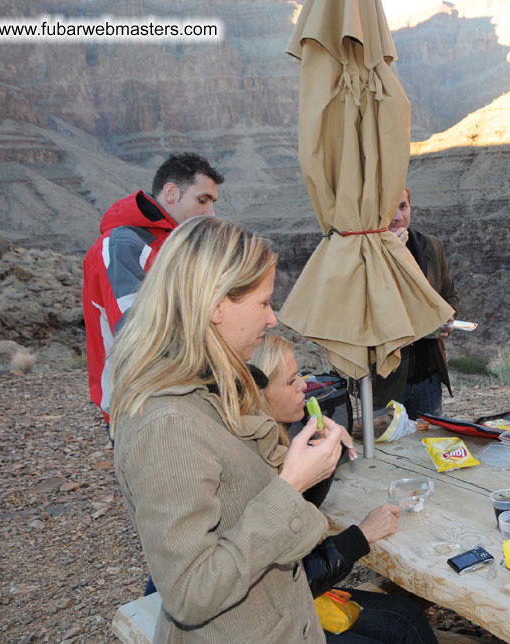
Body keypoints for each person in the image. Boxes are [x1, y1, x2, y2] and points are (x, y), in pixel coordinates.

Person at [110, 217, 351, 643]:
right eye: (263, 303)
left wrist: (304, 457)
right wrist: (292, 484)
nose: (273, 318)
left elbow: (238, 495)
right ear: (216, 303)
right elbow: (190, 591)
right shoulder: (166, 425)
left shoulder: (214, 385)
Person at [251, 335, 439, 644]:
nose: (303, 386)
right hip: (269, 619)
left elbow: (303, 514)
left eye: (300, 376)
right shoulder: (251, 464)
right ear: (258, 393)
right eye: (290, 381)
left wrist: (327, 455)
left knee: (407, 616)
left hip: (292, 595)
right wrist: (360, 536)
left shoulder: (278, 438)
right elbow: (288, 579)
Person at [82, 152, 224, 420]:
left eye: (212, 203)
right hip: (139, 405)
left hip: (182, 396)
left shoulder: (174, 246)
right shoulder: (122, 247)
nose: (210, 213)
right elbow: (139, 334)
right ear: (171, 192)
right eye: (202, 200)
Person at [372, 186, 459, 419]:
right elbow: (369, 308)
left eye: (402, 206)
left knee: (428, 446)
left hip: (428, 377)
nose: (397, 216)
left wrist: (447, 318)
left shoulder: (432, 246)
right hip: (386, 382)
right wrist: (391, 256)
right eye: (389, 208)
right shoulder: (367, 254)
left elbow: (450, 296)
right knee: (387, 453)